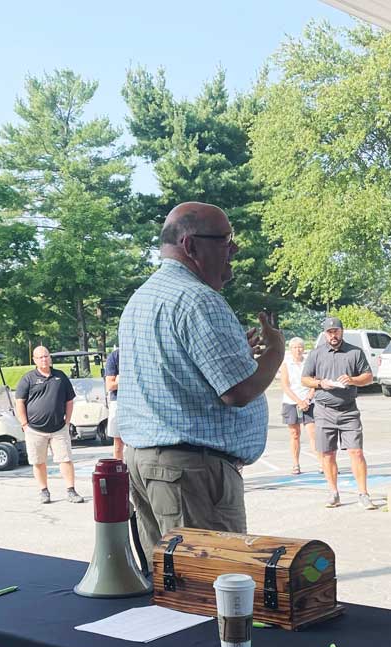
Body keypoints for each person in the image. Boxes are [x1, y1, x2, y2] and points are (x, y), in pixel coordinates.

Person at [118, 202, 285, 565]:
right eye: (226, 240)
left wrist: (231, 351)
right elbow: (238, 392)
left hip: (150, 464)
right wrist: (275, 352)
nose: (234, 250)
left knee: (169, 583)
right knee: (211, 584)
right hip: (189, 472)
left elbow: (176, 373)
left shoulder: (142, 298)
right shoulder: (199, 299)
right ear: (191, 246)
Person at [301, 317, 377, 510]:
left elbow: (368, 377)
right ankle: (333, 492)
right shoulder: (317, 353)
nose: (333, 335)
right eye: (329, 332)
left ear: (342, 331)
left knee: (356, 452)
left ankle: (363, 494)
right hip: (324, 411)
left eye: (336, 331)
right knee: (327, 454)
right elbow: (305, 379)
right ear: (325, 334)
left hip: (348, 410)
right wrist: (320, 383)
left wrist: (352, 380)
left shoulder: (354, 352)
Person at [15, 346, 84, 504]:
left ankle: (71, 490)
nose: (44, 359)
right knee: (38, 461)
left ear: (50, 357)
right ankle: (44, 491)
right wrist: (24, 424)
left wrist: (67, 422)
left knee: (65, 459)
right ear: (34, 360)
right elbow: (19, 402)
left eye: (46, 356)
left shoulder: (60, 377)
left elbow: (69, 400)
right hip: (34, 429)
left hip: (59, 428)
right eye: (40, 357)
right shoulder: (28, 378)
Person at [280, 337, 316, 475]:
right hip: (291, 402)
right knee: (295, 434)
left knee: (313, 433)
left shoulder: (309, 362)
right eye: (295, 347)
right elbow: (285, 386)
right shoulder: (286, 364)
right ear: (290, 349)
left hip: (309, 402)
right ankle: (296, 464)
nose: (298, 350)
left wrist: (307, 399)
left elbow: (315, 382)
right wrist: (298, 401)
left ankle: (322, 463)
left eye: (300, 346)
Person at [104, 347, 124, 460]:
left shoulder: (140, 352)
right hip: (118, 401)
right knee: (118, 444)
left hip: (138, 402)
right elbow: (110, 386)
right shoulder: (115, 356)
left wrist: (120, 379)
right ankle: (119, 470)